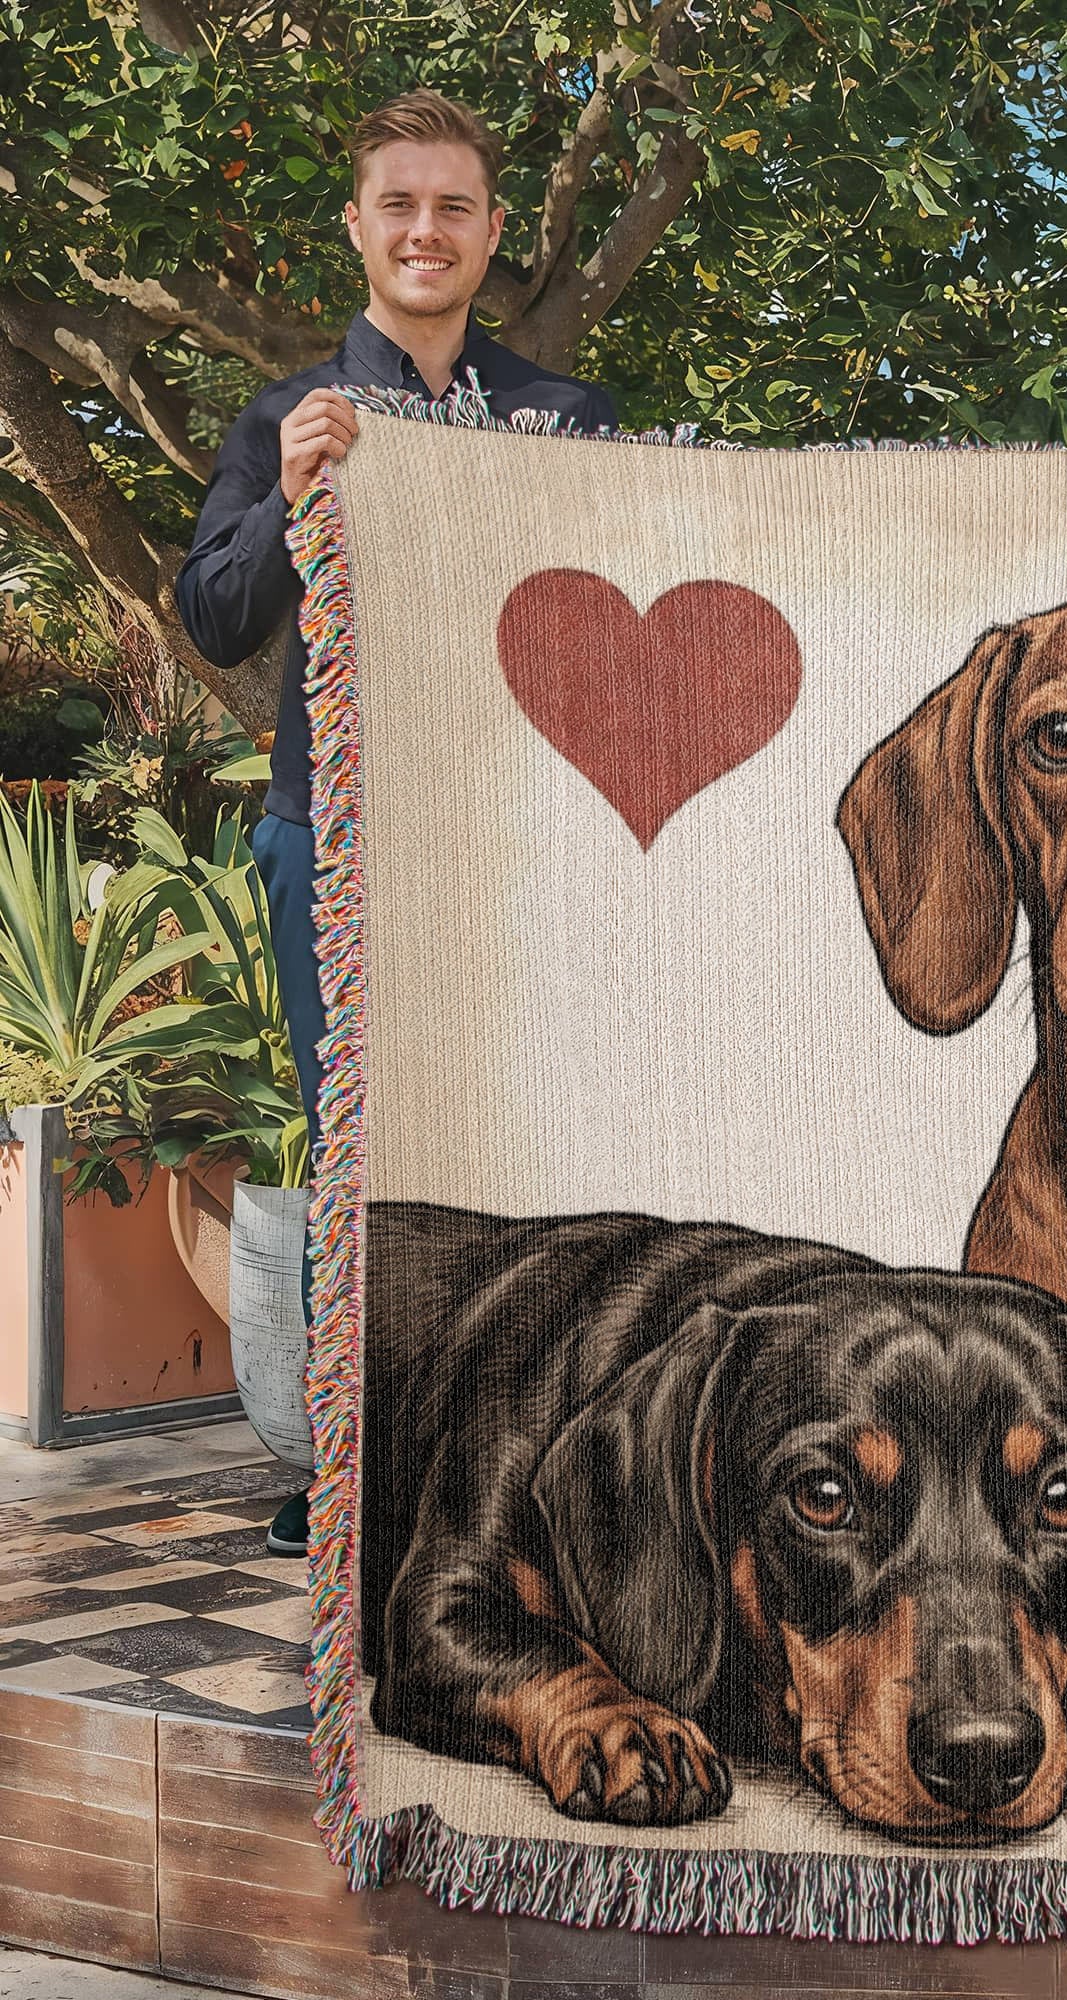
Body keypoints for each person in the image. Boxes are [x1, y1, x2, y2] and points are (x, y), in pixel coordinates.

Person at [176, 90, 615, 1557]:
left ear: (493, 233)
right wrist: (290, 495)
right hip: (338, 839)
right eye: (398, 206)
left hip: (509, 846)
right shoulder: (293, 417)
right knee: (358, 1154)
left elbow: (614, 647)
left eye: (453, 208)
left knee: (517, 1153)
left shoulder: (567, 427)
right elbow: (217, 619)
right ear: (359, 227)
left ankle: (514, 1466)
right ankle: (354, 1464)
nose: (425, 232)